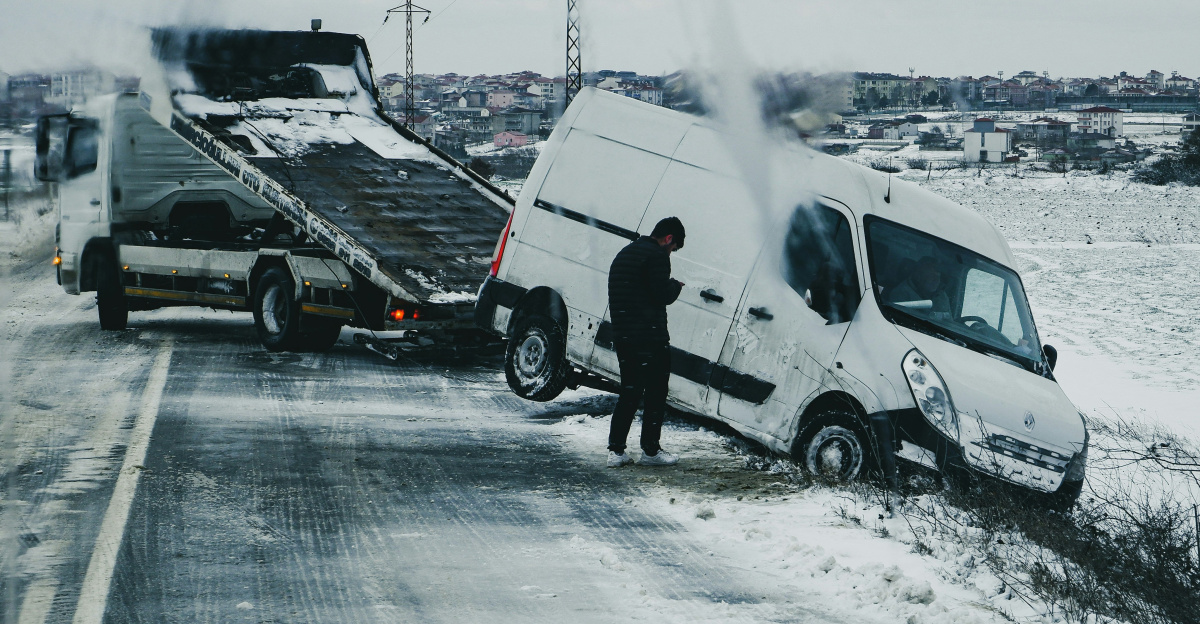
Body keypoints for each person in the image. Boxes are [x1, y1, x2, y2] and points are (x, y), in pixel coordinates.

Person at [606, 217, 686, 468]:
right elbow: (660, 294)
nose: (671, 253)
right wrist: (675, 286)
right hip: (650, 337)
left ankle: (616, 452)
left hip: (624, 335)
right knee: (655, 393)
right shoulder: (657, 256)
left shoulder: (626, 252)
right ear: (669, 238)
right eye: (674, 248)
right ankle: (650, 451)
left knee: (629, 392)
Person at [885, 255, 950, 319]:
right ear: (919, 276)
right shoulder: (900, 293)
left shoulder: (942, 296)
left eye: (938, 277)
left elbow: (949, 322)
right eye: (931, 276)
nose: (936, 281)